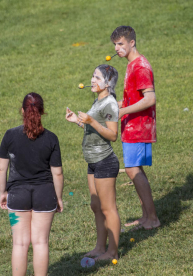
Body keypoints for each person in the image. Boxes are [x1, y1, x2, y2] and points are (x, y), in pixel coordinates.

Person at [0, 92, 63, 276]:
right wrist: (58, 198)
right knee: (41, 242)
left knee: (19, 243)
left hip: (17, 197)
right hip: (45, 195)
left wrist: (3, 192)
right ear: (42, 111)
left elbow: (1, 170)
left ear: (22, 111)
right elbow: (57, 172)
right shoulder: (51, 138)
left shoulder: (10, 135)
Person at [65, 64, 120, 261]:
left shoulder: (110, 103)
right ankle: (99, 247)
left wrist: (91, 121)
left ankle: (112, 252)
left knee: (108, 208)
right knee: (96, 206)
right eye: (92, 76)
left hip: (105, 161)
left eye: (97, 78)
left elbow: (113, 135)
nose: (92, 80)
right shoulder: (98, 102)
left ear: (108, 83)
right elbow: (95, 131)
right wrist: (78, 122)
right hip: (92, 161)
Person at [110, 25, 161, 231]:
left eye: (120, 44)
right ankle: (146, 216)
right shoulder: (131, 64)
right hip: (131, 125)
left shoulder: (140, 67)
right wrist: (115, 106)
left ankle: (153, 219)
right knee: (135, 170)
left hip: (139, 126)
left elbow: (150, 98)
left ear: (132, 42)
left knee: (132, 170)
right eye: (114, 45)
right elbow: (133, 97)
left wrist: (122, 112)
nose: (116, 49)